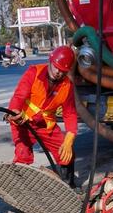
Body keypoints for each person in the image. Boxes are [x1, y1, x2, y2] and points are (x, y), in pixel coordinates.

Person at [5, 45, 77, 186]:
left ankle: (69, 187)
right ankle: (23, 190)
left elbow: (70, 113)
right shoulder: (34, 72)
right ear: (50, 60)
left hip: (46, 125)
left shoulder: (67, 86)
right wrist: (14, 111)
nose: (58, 73)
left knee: (67, 155)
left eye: (63, 71)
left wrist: (70, 137)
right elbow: (19, 96)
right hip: (23, 122)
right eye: (56, 67)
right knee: (23, 156)